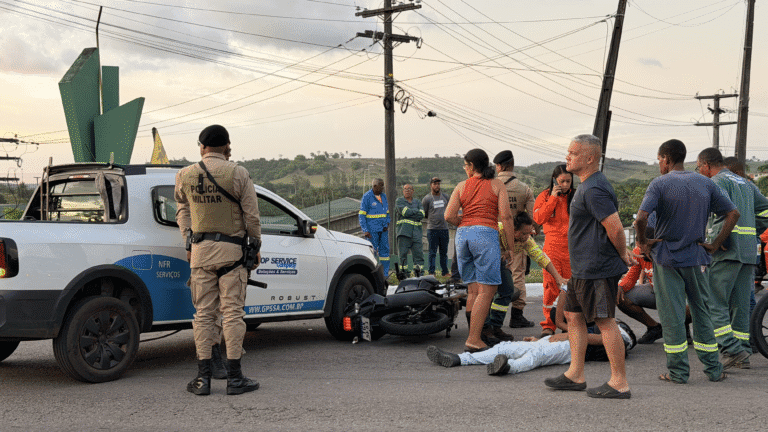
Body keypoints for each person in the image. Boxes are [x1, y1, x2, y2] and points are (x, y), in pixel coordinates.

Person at [635, 139, 736, 384]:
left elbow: (641, 218)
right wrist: (714, 243)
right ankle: (713, 369)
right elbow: (733, 213)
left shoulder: (659, 183)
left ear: (667, 159)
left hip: (667, 258)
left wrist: (643, 243)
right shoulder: (704, 182)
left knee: (672, 316)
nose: (659, 164)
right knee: (702, 312)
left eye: (660, 159)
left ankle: (679, 372)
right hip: (697, 257)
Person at [544, 134, 633, 399]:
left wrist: (623, 254)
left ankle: (619, 382)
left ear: (590, 158)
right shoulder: (587, 185)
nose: (567, 157)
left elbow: (616, 228)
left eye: (573, 153)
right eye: (568, 152)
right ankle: (575, 374)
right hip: (582, 268)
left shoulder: (594, 188)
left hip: (596, 268)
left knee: (604, 321)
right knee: (573, 316)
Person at [175, 124, 261, 396]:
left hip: (200, 253)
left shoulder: (184, 175)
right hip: (232, 254)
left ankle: (203, 380)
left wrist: (189, 240)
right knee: (233, 313)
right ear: (227, 146)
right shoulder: (238, 173)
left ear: (201, 146)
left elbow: (183, 211)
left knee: (203, 315)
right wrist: (255, 244)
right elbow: (252, 216)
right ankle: (235, 378)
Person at [697, 147, 768, 369]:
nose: (699, 172)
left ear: (707, 165)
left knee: (713, 303)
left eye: (699, 167)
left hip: (726, 250)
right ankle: (743, 352)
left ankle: (732, 348)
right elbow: (765, 209)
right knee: (739, 305)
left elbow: (725, 215)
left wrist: (716, 241)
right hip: (748, 251)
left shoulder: (716, 182)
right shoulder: (745, 183)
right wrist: (754, 230)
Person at [445, 149, 516, 352]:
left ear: (472, 166)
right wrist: (509, 247)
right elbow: (507, 217)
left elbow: (449, 215)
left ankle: (474, 335)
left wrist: (465, 223)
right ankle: (474, 339)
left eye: (466, 166)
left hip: (462, 236)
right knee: (488, 291)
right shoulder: (497, 184)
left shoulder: (461, 186)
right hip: (484, 235)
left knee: (474, 290)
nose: (465, 169)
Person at [489, 212, 567, 339]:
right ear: (512, 230)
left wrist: (558, 278)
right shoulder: (497, 230)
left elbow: (541, 257)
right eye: (524, 233)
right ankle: (485, 328)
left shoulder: (526, 240)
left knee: (507, 290)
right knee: (487, 293)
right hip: (486, 262)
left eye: (529, 233)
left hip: (502, 264)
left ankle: (495, 327)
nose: (527, 236)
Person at [492, 150, 537, 329]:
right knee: (517, 275)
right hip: (517, 239)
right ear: (512, 165)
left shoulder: (490, 185)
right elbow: (533, 218)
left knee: (492, 278)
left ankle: (491, 320)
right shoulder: (524, 188)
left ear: (500, 166)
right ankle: (517, 316)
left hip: (492, 238)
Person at [533, 164, 575, 336]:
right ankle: (548, 325)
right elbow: (538, 218)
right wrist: (552, 198)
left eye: (568, 181)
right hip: (552, 246)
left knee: (574, 287)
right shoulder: (544, 196)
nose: (565, 185)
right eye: (561, 181)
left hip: (573, 247)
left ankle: (573, 322)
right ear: (554, 180)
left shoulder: (577, 195)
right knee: (551, 287)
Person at [359, 178, 391, 277]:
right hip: (372, 231)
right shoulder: (367, 197)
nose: (383, 187)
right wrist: (365, 230)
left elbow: (387, 213)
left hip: (383, 230)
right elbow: (362, 215)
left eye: (383, 185)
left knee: (385, 252)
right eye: (381, 185)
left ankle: (385, 275)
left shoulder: (384, 196)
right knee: (372, 252)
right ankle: (372, 275)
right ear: (374, 186)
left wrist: (387, 224)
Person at [422, 177, 451, 276]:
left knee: (444, 253)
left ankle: (445, 272)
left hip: (444, 229)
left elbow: (449, 210)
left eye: (438, 184)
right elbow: (424, 213)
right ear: (431, 185)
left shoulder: (446, 197)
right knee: (432, 252)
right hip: (432, 229)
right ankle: (431, 272)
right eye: (435, 184)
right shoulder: (427, 199)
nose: (437, 186)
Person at [395, 184, 425, 274]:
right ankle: (404, 276)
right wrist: (416, 211)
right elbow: (405, 212)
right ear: (403, 191)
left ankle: (419, 276)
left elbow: (422, 214)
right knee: (403, 255)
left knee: (419, 256)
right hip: (403, 233)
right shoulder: (399, 201)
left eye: (409, 189)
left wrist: (410, 212)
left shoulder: (418, 202)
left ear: (413, 191)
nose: (407, 191)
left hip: (416, 234)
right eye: (405, 189)